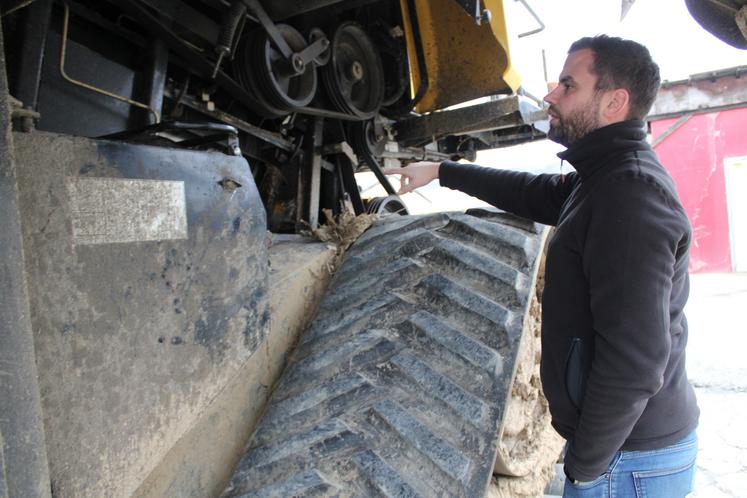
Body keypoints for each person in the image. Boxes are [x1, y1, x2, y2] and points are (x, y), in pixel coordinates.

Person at [386, 35, 699, 497]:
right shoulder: (603, 178)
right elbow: (537, 193)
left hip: (627, 461)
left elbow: (637, 360)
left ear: (614, 102)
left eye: (568, 86)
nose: (551, 96)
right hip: (621, 454)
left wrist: (585, 467)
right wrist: (442, 171)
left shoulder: (629, 195)